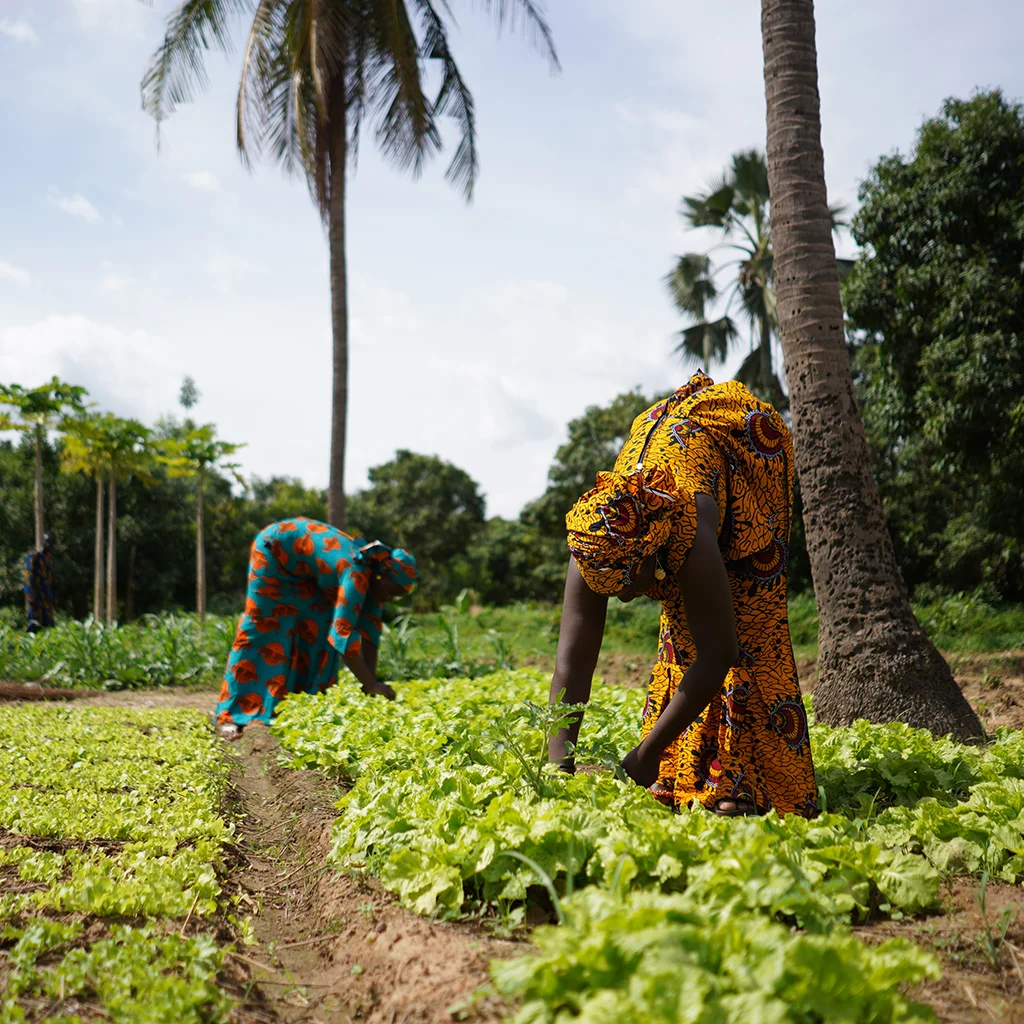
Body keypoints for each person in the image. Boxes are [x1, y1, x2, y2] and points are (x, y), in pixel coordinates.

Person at [548, 371, 817, 818]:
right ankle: (683, 769)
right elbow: (571, 662)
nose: (629, 600)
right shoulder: (597, 537)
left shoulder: (690, 528)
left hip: (746, 447)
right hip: (669, 442)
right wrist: (558, 767)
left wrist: (645, 754)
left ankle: (743, 781)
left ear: (648, 553)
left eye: (629, 588)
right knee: (680, 629)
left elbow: (719, 654)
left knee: (748, 626)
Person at [215, 517, 419, 739]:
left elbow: (370, 634)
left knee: (317, 626)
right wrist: (370, 683)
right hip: (274, 551)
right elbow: (342, 637)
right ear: (381, 577)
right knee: (264, 626)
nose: (389, 599)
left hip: (305, 571)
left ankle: (300, 704)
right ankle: (232, 714)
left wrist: (372, 686)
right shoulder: (356, 573)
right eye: (392, 592)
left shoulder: (374, 584)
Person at [23, 533, 56, 633]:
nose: (49, 545)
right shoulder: (34, 557)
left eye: (51, 543)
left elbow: (52, 582)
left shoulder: (49, 561)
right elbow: (29, 577)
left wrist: (53, 599)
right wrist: (31, 597)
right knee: (34, 625)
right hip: (36, 598)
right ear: (42, 543)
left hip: (46, 600)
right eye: (47, 542)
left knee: (48, 626)